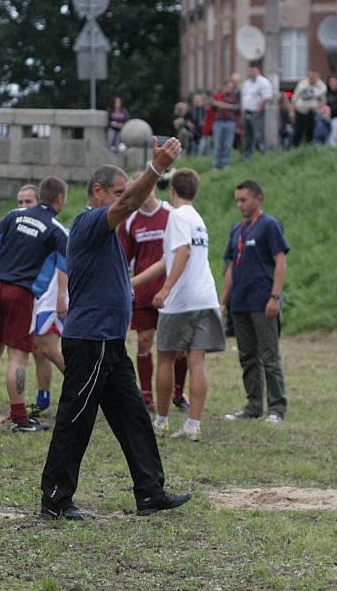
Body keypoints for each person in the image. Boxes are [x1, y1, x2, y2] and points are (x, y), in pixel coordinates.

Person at [39, 140, 192, 520]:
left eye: (125, 192)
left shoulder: (107, 234)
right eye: (119, 192)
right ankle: (56, 500)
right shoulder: (90, 221)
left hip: (109, 343)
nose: (126, 200)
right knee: (76, 419)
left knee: (133, 417)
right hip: (89, 341)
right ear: (99, 192)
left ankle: (150, 492)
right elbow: (128, 205)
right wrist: (155, 169)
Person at [0, 177, 69, 433]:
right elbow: (69, 264)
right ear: (60, 200)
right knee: (18, 356)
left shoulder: (13, 216)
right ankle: (20, 418)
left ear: (39, 195)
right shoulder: (56, 229)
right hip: (20, 294)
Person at [131, 169, 225, 441]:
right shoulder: (197, 218)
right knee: (197, 361)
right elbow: (167, 260)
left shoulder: (176, 216)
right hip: (205, 297)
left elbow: (182, 252)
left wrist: (167, 288)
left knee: (166, 358)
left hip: (182, 300)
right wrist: (133, 283)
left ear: (172, 190)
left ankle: (160, 422)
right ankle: (193, 425)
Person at [219, 180, 289, 422]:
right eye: (237, 200)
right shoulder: (236, 229)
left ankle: (277, 408)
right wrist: (223, 301)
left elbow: (280, 261)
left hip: (263, 302)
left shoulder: (269, 225)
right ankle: (253, 406)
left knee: (269, 356)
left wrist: (275, 296)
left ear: (259, 199)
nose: (239, 204)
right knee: (247, 356)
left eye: (244, 199)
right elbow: (229, 268)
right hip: (240, 303)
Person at [118, 175, 189, 412]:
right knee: (144, 342)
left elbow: (184, 251)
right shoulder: (129, 222)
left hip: (172, 290)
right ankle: (146, 396)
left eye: (143, 186)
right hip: (144, 291)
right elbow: (122, 259)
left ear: (152, 187)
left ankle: (178, 394)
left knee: (178, 346)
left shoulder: (172, 213)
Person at [18, 184, 68, 418]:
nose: (23, 206)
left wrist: (61, 297)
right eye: (20, 202)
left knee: (46, 347)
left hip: (50, 297)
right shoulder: (22, 226)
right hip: (33, 296)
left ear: (39, 202)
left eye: (28, 202)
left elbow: (63, 264)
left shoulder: (51, 228)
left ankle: (86, 388)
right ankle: (43, 398)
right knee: (38, 351)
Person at [241, 65, 272, 159]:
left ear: (257, 70)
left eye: (253, 71)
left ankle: (263, 154)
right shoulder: (247, 83)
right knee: (247, 135)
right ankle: (247, 155)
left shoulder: (263, 82)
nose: (251, 73)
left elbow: (266, 97)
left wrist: (259, 107)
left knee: (258, 133)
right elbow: (244, 97)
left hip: (257, 112)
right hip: (247, 111)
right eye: (250, 71)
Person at [211, 74, 241, 169]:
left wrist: (224, 106)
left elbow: (237, 107)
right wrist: (228, 106)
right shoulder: (218, 95)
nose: (230, 89)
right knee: (218, 144)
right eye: (228, 86)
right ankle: (216, 164)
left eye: (231, 87)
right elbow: (213, 104)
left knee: (228, 144)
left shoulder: (234, 96)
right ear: (224, 86)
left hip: (230, 122)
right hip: (218, 122)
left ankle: (226, 163)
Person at [292, 69, 327, 146]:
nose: (312, 78)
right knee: (297, 131)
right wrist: (292, 111)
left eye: (314, 76)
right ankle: (294, 149)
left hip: (312, 112)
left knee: (310, 132)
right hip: (300, 111)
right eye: (310, 76)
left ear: (318, 76)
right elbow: (294, 98)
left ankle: (308, 149)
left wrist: (317, 107)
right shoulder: (302, 84)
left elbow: (323, 101)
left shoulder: (322, 87)